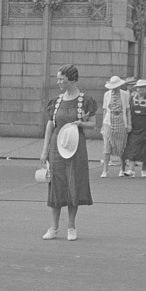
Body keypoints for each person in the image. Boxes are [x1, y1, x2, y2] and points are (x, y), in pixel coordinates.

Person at [39, 64, 97, 241]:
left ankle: (71, 227)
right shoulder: (56, 102)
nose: (58, 82)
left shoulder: (85, 100)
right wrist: (44, 150)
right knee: (56, 185)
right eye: (58, 79)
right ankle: (53, 227)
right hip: (57, 147)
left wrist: (80, 124)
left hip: (76, 147)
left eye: (61, 79)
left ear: (71, 80)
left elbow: (93, 123)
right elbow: (50, 125)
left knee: (74, 184)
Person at [123, 79, 146, 178]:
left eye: (143, 87)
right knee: (133, 145)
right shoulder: (132, 98)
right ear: (136, 88)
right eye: (139, 87)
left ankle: (144, 169)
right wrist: (129, 123)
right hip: (135, 123)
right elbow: (128, 110)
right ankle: (131, 169)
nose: (141, 89)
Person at [100, 75, 131, 178]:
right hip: (109, 122)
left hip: (121, 121)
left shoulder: (125, 94)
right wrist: (102, 125)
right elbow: (105, 110)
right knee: (106, 146)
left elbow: (127, 110)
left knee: (121, 146)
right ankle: (105, 170)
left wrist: (129, 124)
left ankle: (122, 168)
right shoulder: (106, 95)